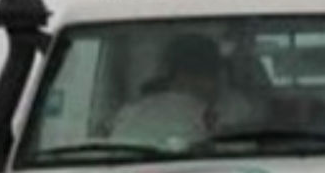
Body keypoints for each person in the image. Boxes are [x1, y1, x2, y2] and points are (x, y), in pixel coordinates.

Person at [109, 33, 260, 147]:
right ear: (173, 77)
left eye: (206, 75)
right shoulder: (137, 112)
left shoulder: (239, 108)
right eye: (190, 75)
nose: (199, 85)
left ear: (218, 75)